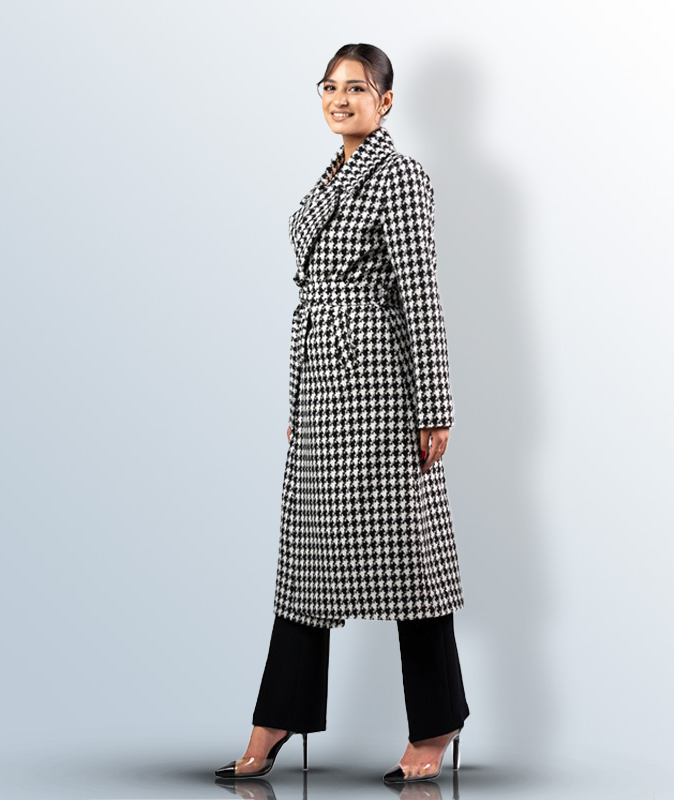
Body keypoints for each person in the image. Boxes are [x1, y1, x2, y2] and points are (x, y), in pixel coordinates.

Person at [215, 43, 469, 784]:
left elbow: (420, 292)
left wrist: (435, 406)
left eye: (356, 88)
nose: (339, 98)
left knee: (411, 561)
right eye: (329, 87)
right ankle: (279, 712)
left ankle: (437, 720)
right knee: (305, 563)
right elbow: (312, 298)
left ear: (385, 101)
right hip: (325, 392)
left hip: (382, 391)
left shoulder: (400, 176)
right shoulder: (329, 179)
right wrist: (301, 400)